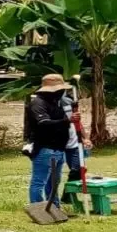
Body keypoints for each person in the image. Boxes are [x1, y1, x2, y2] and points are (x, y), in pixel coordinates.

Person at [23, 74, 79, 206]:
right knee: (39, 181)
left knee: (54, 182)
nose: (61, 92)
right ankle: (37, 207)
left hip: (59, 149)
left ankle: (54, 206)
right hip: (45, 148)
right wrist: (67, 120)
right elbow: (43, 123)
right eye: (59, 90)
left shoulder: (56, 103)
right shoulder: (37, 104)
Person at [60, 91, 93, 204]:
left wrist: (84, 138)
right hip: (58, 143)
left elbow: (77, 122)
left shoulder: (69, 102)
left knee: (79, 169)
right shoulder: (49, 104)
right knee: (53, 173)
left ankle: (67, 196)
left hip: (73, 143)